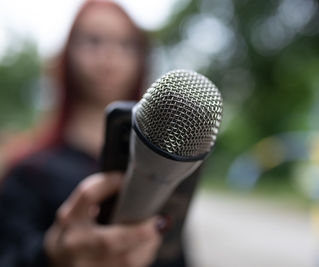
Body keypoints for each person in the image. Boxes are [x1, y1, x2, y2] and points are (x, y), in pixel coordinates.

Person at [0, 1, 199, 266]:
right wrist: (51, 254)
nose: (109, 54)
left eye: (126, 44)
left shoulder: (163, 165)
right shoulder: (29, 172)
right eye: (93, 41)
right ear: (67, 53)